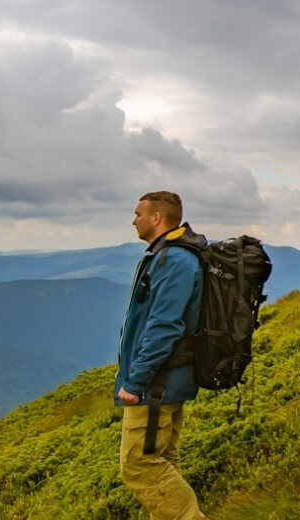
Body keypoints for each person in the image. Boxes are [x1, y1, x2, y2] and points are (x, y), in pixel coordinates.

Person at [116, 190, 208, 519]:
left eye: (138, 213)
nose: (133, 220)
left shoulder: (175, 260)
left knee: (139, 465)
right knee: (163, 460)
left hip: (157, 384)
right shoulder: (168, 255)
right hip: (166, 379)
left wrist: (136, 380)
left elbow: (164, 326)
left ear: (157, 218)